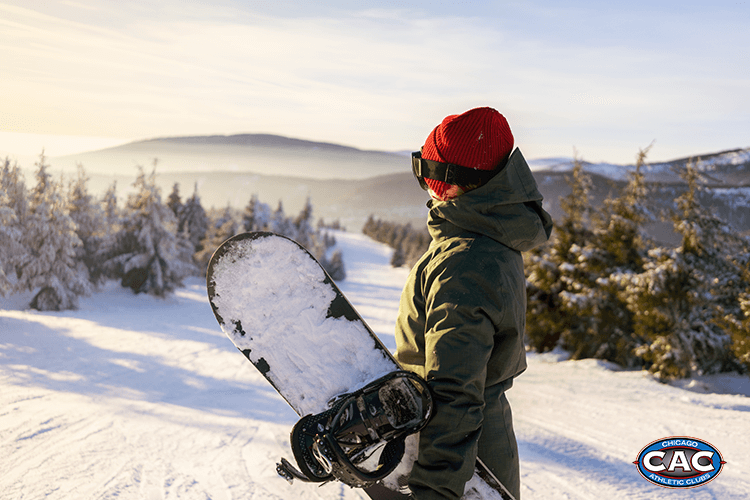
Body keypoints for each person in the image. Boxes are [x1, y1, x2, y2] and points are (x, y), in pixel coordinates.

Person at [394, 106, 553, 500]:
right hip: (473, 448)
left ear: (457, 181)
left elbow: (454, 390)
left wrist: (434, 489)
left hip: (463, 466)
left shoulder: (465, 262)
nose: (426, 184)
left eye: (428, 170)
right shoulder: (486, 238)